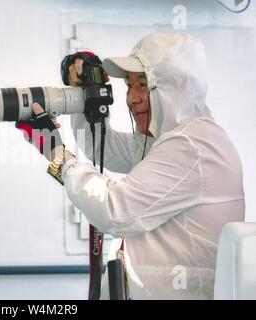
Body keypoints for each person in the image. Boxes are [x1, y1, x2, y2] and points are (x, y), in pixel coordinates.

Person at [17, 32, 245, 299]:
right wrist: (86, 97)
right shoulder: (167, 140)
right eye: (128, 85)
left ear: (175, 88)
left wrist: (56, 153)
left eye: (143, 84)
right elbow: (101, 148)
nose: (131, 99)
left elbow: (113, 209)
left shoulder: (192, 147)